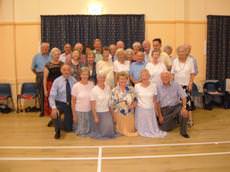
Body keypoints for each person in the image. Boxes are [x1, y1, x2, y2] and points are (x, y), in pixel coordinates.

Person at [155, 71, 190, 138]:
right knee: (164, 129)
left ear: (170, 77)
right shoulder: (158, 87)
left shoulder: (176, 84)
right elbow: (157, 102)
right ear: (161, 78)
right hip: (165, 110)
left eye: (167, 76)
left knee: (184, 112)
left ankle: (183, 132)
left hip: (176, 107)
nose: (165, 78)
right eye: (163, 77)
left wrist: (184, 107)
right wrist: (160, 116)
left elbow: (184, 97)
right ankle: (176, 121)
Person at [135, 69, 167, 138]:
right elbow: (135, 99)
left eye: (146, 75)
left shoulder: (154, 86)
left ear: (149, 76)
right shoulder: (136, 86)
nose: (144, 77)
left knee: (152, 128)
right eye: (143, 75)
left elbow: (155, 100)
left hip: (150, 109)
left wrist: (157, 113)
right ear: (140, 76)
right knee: (141, 130)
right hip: (140, 109)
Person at [49, 64, 76, 139]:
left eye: (68, 70)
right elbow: (52, 96)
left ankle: (58, 122)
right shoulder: (57, 81)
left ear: (70, 71)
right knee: (56, 113)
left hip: (70, 104)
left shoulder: (73, 80)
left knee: (69, 129)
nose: (66, 72)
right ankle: (57, 130)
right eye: (64, 70)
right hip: (60, 103)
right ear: (61, 71)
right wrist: (54, 108)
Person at [171, 45, 195, 127]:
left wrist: (190, 83)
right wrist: (172, 85)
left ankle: (189, 120)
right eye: (179, 52)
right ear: (177, 53)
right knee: (177, 103)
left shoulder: (190, 61)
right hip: (176, 86)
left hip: (186, 85)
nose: (181, 53)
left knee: (187, 103)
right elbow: (172, 74)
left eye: (183, 51)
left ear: (186, 52)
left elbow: (192, 73)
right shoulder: (175, 61)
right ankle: (178, 119)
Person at [111, 72, 137, 136]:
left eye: (125, 79)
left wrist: (133, 105)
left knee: (131, 130)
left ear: (127, 79)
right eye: (121, 79)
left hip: (130, 112)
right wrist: (114, 116)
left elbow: (135, 99)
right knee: (122, 132)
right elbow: (113, 104)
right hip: (119, 114)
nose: (123, 80)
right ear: (118, 80)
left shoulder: (131, 89)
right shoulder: (114, 90)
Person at [90, 73, 116, 139]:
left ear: (105, 78)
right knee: (101, 133)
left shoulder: (108, 87)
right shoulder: (94, 90)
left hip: (107, 111)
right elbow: (92, 105)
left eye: (103, 77)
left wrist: (112, 114)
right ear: (97, 78)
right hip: (98, 112)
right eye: (100, 77)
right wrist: (95, 117)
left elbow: (110, 102)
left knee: (109, 130)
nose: (101, 79)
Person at [71, 67, 94, 136]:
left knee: (90, 130)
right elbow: (73, 102)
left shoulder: (92, 84)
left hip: (90, 111)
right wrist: (74, 115)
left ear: (88, 75)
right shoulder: (76, 86)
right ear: (80, 75)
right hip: (80, 111)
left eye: (86, 74)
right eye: (83, 74)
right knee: (81, 132)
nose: (85, 76)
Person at [32, 42, 51, 117]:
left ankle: (49, 110)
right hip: (40, 75)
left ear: (48, 48)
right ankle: (42, 111)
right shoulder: (36, 56)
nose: (45, 49)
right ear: (41, 48)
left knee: (49, 93)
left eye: (46, 48)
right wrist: (38, 74)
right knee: (41, 94)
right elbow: (33, 68)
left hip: (49, 76)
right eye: (43, 48)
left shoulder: (51, 56)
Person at [43, 48, 63, 116]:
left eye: (58, 54)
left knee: (59, 101)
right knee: (51, 102)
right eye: (55, 54)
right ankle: (52, 117)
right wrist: (45, 90)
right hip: (50, 85)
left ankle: (57, 116)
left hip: (60, 86)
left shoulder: (62, 64)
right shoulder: (48, 65)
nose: (57, 56)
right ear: (52, 55)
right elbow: (45, 78)